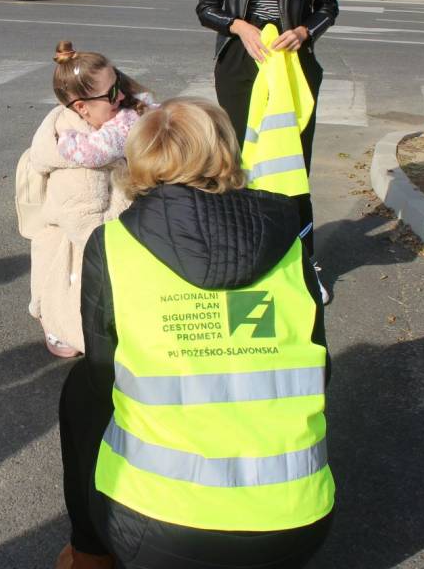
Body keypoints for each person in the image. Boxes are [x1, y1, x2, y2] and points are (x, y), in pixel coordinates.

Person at [56, 98, 334, 569]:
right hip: (298, 526)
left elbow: (105, 374)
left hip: (155, 530)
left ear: (140, 160)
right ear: (227, 152)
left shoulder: (113, 244)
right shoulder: (290, 241)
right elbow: (320, 369)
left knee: (83, 390)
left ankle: (90, 554)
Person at [196, 0, 338, 297]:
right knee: (242, 165)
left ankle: (303, 264)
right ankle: (244, 259)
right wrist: (239, 26)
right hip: (241, 62)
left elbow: (329, 5)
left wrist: (305, 31)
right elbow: (206, 6)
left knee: (291, 168)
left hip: (293, 65)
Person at [16, 41, 152, 358]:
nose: (121, 96)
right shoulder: (79, 165)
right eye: (111, 93)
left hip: (96, 243)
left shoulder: (109, 129)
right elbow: (91, 235)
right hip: (74, 260)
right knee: (85, 336)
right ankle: (56, 321)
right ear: (81, 108)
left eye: (119, 83)